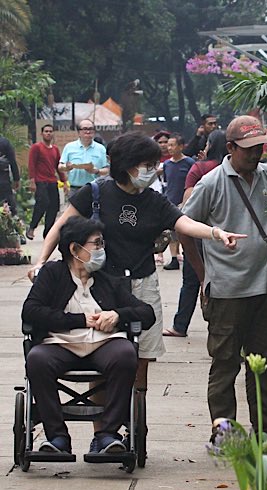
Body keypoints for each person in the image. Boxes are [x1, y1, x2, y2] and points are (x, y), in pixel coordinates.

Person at [29, 131, 246, 397]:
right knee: (101, 355)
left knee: (142, 354)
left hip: (143, 284)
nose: (153, 170)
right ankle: (103, 433)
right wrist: (40, 262)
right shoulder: (96, 192)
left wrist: (215, 233)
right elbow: (60, 227)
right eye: (148, 165)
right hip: (104, 285)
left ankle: (135, 418)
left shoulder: (154, 201)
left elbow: (184, 223)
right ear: (129, 166)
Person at [182, 116, 267, 445]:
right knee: (226, 361)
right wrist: (202, 274)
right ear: (230, 148)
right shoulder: (212, 183)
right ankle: (223, 429)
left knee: (266, 364)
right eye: (248, 149)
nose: (256, 154)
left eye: (260, 148)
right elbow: (184, 226)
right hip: (227, 290)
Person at [22, 216, 155, 455]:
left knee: (125, 354)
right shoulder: (53, 273)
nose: (102, 249)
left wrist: (116, 315)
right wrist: (79, 320)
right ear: (75, 249)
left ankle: (107, 435)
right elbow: (30, 311)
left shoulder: (107, 277)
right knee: (37, 359)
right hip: (60, 343)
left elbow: (147, 313)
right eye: (97, 243)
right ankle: (57, 438)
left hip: (104, 344)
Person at [162, 131, 226, 338]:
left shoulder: (200, 168)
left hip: (198, 233)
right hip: (226, 235)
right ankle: (221, 328)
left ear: (209, 145)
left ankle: (180, 326)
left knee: (191, 280)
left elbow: (188, 200)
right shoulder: (234, 169)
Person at [160, 134, 193, 271]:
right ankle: (174, 258)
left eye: (173, 145)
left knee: (185, 231)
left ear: (181, 146)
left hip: (186, 201)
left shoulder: (189, 163)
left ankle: (189, 256)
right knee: (172, 232)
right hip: (171, 200)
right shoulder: (167, 164)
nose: (169, 148)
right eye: (168, 145)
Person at [26, 125, 64, 240]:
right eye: (46, 131)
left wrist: (64, 181)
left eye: (50, 131)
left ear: (53, 134)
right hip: (40, 181)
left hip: (52, 181)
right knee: (42, 203)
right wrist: (32, 181)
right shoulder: (36, 147)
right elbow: (31, 164)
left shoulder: (55, 149)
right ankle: (32, 227)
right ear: (41, 134)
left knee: (54, 207)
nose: (48, 133)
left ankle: (48, 233)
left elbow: (58, 166)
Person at [59, 120, 108, 198]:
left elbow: (107, 169)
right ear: (79, 132)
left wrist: (97, 171)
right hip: (75, 189)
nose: (88, 131)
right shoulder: (69, 147)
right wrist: (67, 167)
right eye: (85, 129)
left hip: (94, 188)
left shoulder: (101, 148)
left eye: (91, 129)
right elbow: (60, 167)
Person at [0, 134, 21, 216]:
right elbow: (12, 162)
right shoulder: (5, 142)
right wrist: (16, 179)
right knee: (8, 206)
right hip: (3, 180)